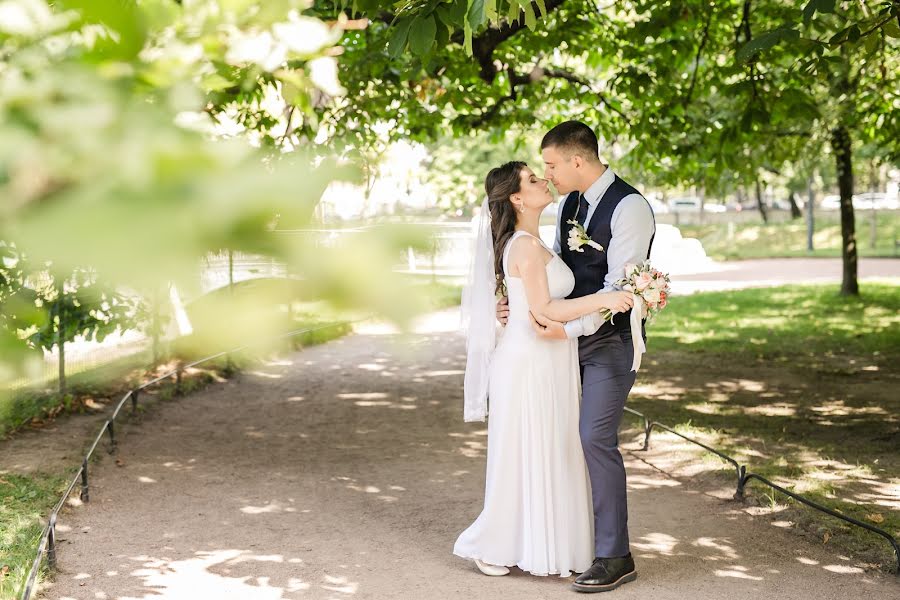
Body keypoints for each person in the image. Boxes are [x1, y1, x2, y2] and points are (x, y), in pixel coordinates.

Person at [453, 160, 635, 579]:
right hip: (529, 362)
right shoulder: (524, 245)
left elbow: (527, 301)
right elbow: (545, 309)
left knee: (552, 451)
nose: (545, 180)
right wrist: (608, 299)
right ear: (517, 198)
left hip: (550, 357)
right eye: (533, 179)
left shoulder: (538, 242)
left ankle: (547, 544)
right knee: (525, 453)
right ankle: (495, 545)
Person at [499, 121, 655, 593]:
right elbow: (549, 267)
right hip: (560, 341)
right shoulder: (567, 203)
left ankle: (615, 555)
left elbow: (619, 288)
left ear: (577, 161)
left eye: (550, 165)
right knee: (560, 440)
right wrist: (519, 303)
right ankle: (562, 541)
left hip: (608, 340)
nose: (547, 175)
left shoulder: (630, 208)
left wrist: (566, 327)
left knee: (593, 437)